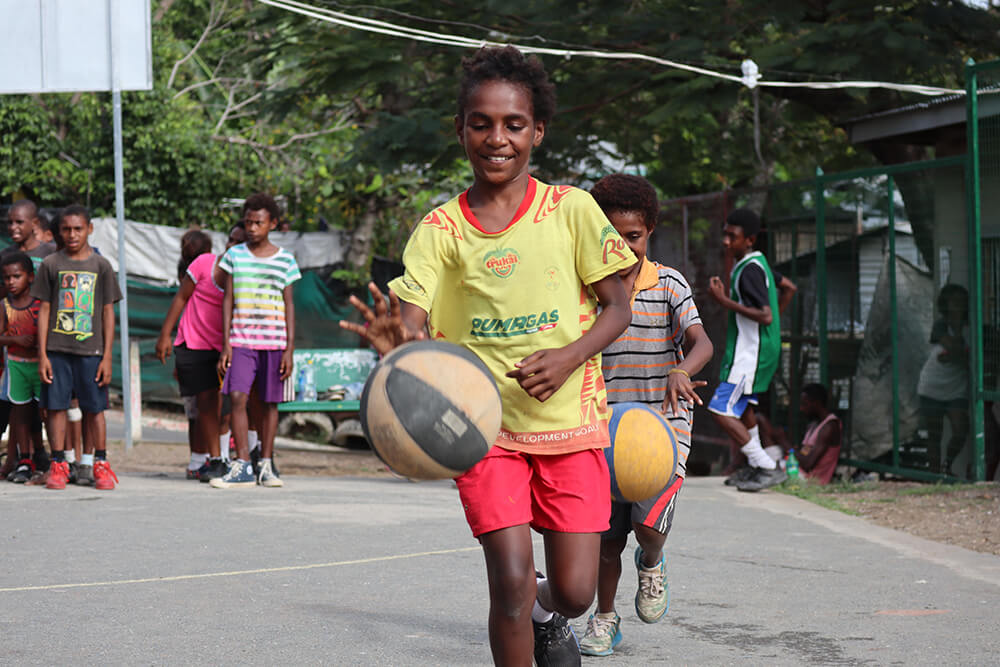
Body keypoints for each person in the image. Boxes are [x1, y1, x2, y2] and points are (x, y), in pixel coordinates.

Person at [340, 46, 636, 666]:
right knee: (507, 581)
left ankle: (546, 608)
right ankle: (522, 610)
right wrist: (403, 347)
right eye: (481, 123)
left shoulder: (572, 211)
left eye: (513, 124)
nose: (496, 138)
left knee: (579, 592)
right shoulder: (441, 230)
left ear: (538, 131)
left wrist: (565, 358)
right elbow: (412, 319)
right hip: (481, 431)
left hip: (571, 427)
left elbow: (617, 307)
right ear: (460, 129)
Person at [575, 174, 713, 656]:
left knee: (646, 525)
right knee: (606, 539)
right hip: (603, 429)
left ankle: (651, 560)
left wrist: (682, 369)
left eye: (633, 236)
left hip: (664, 423)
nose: (623, 246)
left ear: (650, 229)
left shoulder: (668, 282)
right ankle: (605, 618)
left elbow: (702, 342)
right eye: (612, 236)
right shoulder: (586, 290)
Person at [211, 194, 299, 489]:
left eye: (258, 222)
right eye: (248, 222)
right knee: (237, 397)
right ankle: (242, 463)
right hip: (241, 341)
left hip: (274, 343)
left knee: (271, 403)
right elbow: (228, 300)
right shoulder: (235, 256)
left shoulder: (285, 259)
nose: (252, 228)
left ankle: (266, 464)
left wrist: (289, 349)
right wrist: (226, 344)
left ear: (272, 224)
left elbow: (289, 305)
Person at [32, 205, 123, 490]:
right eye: (66, 229)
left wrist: (107, 355)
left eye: (78, 229)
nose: (72, 235)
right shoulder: (51, 264)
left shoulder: (101, 266)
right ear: (59, 232)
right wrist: (43, 354)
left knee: (95, 409)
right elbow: (44, 310)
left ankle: (100, 463)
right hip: (57, 350)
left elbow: (108, 312)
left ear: (89, 229)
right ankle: (59, 464)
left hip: (92, 352)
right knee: (57, 407)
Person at [708, 208, 797, 492]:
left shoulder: (748, 271)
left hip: (751, 352)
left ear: (749, 239)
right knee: (745, 409)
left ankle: (768, 466)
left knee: (720, 409)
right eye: (725, 234)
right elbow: (789, 288)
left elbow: (765, 315)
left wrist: (724, 301)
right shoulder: (758, 263)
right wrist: (769, 331)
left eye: (732, 236)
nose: (725, 241)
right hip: (761, 348)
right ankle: (757, 464)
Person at [156, 227, 244, 482]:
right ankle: (214, 460)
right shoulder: (205, 263)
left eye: (241, 242)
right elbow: (181, 298)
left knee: (227, 408)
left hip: (227, 347)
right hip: (194, 344)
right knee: (205, 405)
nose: (234, 245)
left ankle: (227, 457)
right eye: (232, 239)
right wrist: (165, 335)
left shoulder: (246, 276)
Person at [916, 284, 969, 475]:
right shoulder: (941, 325)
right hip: (933, 384)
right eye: (954, 302)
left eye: (962, 302)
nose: (958, 306)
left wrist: (957, 355)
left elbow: (957, 353)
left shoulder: (972, 325)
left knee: (961, 429)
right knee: (934, 435)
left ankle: (947, 465)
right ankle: (934, 477)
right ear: (946, 304)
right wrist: (961, 355)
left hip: (956, 387)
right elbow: (955, 350)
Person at [0, 253, 43, 483]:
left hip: (40, 366)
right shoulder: (5, 306)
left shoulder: (39, 305)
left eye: (17, 276)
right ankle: (25, 459)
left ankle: (55, 459)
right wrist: (15, 340)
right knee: (20, 414)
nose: (11, 282)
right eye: (7, 278)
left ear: (30, 277)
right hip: (16, 366)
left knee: (46, 411)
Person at [795, 383, 842, 484]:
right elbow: (804, 453)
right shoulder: (814, 424)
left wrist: (787, 446)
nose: (801, 409)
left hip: (811, 480)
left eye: (804, 404)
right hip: (800, 472)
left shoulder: (830, 426)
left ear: (816, 403)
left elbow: (808, 464)